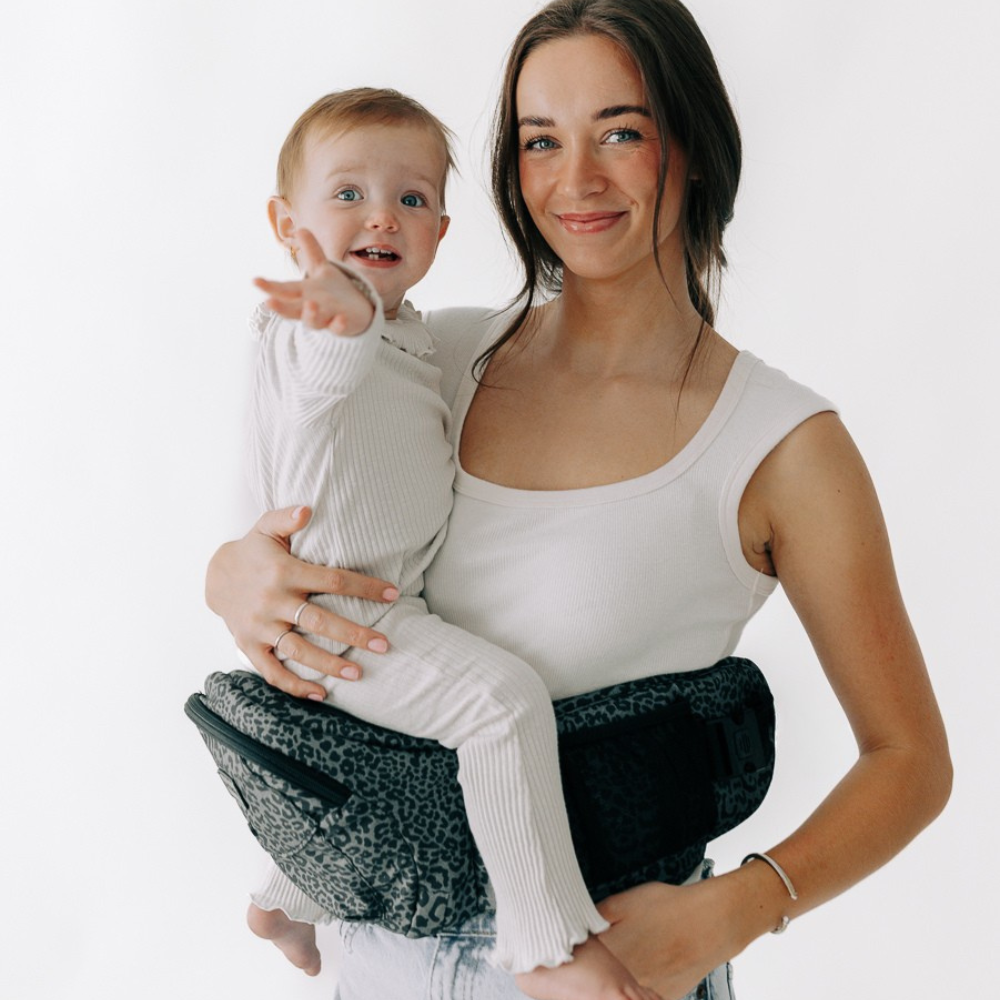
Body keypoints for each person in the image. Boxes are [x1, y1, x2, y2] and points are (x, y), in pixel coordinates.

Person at [206, 2, 952, 998]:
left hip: (610, 967)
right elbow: (307, 486)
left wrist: (735, 907)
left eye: (621, 132)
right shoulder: (432, 356)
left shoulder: (782, 446)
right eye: (540, 141)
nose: (576, 180)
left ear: (694, 145)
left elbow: (909, 759)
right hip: (376, 959)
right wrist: (233, 576)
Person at [239, 87, 656, 1000]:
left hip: (379, 601)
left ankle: (285, 898)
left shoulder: (419, 337)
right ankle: (545, 942)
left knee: (390, 766)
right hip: (341, 613)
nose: (382, 215)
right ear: (286, 225)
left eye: (412, 198)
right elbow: (323, 383)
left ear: (439, 232)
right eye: (347, 194)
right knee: (501, 705)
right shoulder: (316, 325)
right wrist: (344, 314)